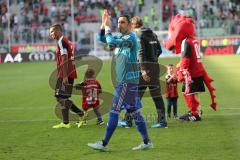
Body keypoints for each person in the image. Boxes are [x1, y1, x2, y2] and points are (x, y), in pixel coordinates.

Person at [87, 10, 152, 151]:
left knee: (114, 111)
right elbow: (103, 40)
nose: (119, 24)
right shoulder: (123, 38)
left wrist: (109, 28)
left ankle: (104, 144)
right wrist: (103, 25)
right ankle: (147, 142)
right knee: (135, 113)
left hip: (126, 83)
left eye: (122, 22)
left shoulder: (131, 38)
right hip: (128, 82)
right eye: (118, 22)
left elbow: (110, 40)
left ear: (129, 24)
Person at [163, 14, 217, 121]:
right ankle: (197, 111)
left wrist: (181, 71)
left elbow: (185, 59)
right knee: (191, 92)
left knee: (190, 92)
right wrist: (179, 66)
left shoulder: (186, 42)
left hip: (191, 73)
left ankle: (194, 114)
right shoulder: (193, 40)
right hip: (197, 71)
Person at [124, 16, 167, 128]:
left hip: (145, 69)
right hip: (154, 66)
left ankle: (128, 121)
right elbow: (159, 50)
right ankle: (162, 122)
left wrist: (143, 70)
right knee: (156, 95)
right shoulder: (152, 34)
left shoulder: (138, 35)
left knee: (135, 95)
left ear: (133, 26)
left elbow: (141, 53)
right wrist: (154, 60)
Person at [49, 24, 84, 128]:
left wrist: (64, 76)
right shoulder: (66, 40)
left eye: (52, 31)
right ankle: (66, 123)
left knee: (60, 97)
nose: (51, 34)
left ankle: (80, 113)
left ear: (58, 30)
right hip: (69, 71)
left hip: (66, 73)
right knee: (63, 97)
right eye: (50, 32)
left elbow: (64, 58)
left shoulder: (61, 41)